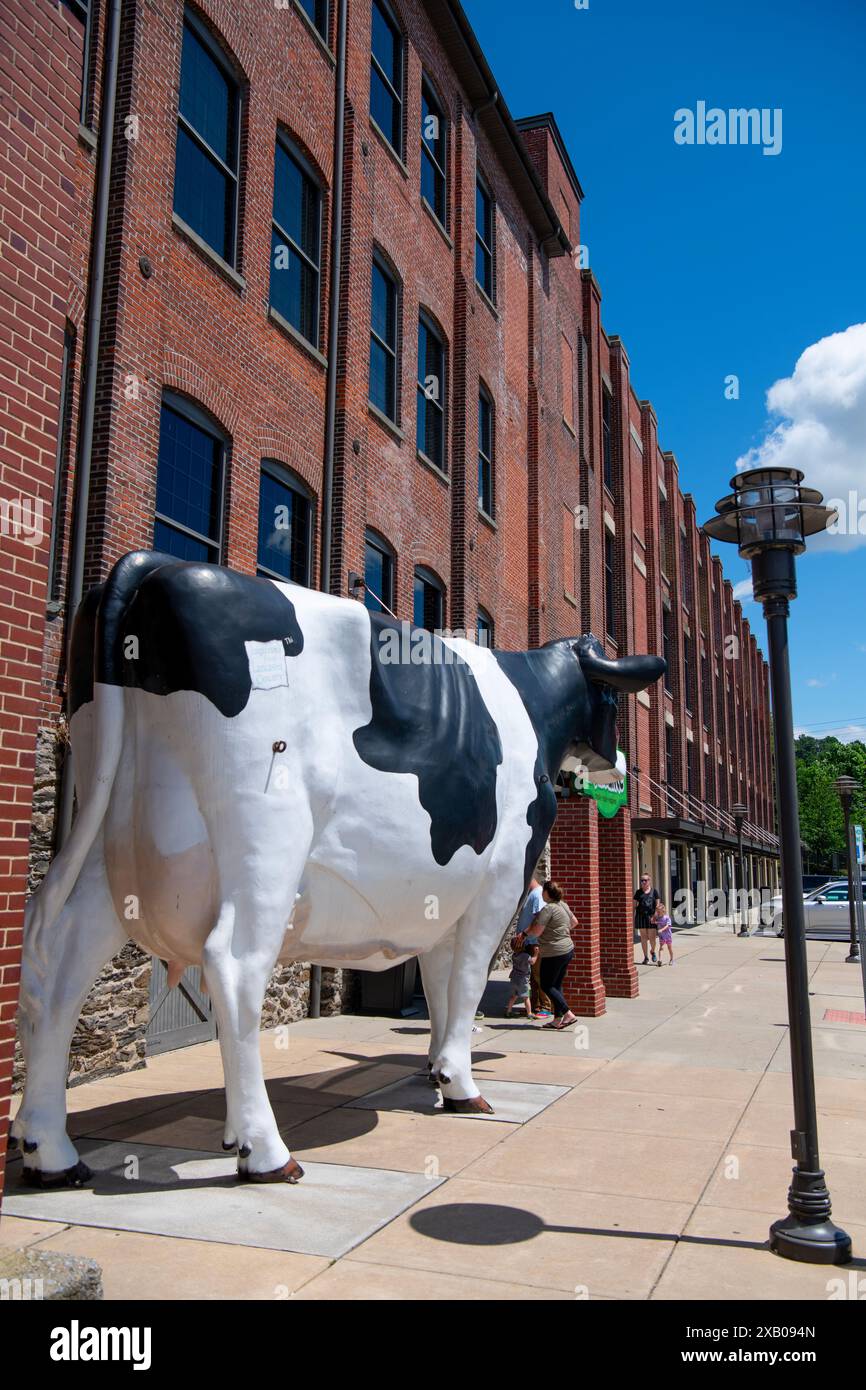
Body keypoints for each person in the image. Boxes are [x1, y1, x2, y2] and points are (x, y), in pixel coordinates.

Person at [531, 880, 579, 1030]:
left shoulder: (548, 909)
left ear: (547, 893)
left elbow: (537, 932)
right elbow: (574, 922)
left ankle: (568, 1013)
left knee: (546, 984)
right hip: (567, 949)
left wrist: (525, 933)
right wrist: (560, 931)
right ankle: (557, 1019)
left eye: (543, 891)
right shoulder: (563, 905)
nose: (541, 894)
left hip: (554, 952)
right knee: (556, 985)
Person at [517, 877, 553, 1018]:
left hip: (534, 943)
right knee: (532, 977)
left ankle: (546, 1006)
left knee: (539, 975)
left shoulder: (537, 894)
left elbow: (539, 918)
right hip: (529, 942)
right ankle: (534, 1007)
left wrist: (525, 935)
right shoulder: (532, 894)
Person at [505, 930, 538, 1019]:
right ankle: (529, 1013)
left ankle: (509, 1011)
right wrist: (536, 953)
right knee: (526, 997)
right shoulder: (526, 956)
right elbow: (532, 962)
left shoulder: (514, 955)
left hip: (514, 978)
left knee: (513, 996)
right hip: (523, 979)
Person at [634, 872, 661, 964]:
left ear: (649, 881)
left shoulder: (654, 892)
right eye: (642, 880)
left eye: (645, 880)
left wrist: (655, 915)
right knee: (643, 937)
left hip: (651, 916)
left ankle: (652, 951)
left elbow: (658, 905)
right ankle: (645, 957)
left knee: (652, 938)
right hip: (641, 916)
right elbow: (634, 905)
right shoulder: (638, 892)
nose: (643, 882)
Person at [653, 900, 674, 966]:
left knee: (669, 947)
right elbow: (652, 921)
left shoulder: (667, 918)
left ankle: (671, 959)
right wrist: (655, 916)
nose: (658, 913)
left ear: (663, 911)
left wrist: (661, 929)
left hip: (668, 935)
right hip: (661, 936)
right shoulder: (657, 918)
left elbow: (668, 926)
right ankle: (660, 960)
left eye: (659, 912)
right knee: (661, 947)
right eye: (657, 912)